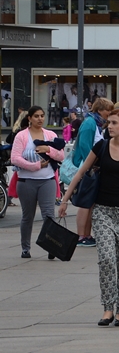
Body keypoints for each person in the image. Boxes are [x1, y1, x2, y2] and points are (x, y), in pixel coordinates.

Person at [59, 109, 119, 326]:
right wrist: (65, 199)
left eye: (113, 123)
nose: (108, 126)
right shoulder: (101, 147)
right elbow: (80, 172)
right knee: (105, 259)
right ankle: (107, 308)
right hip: (103, 212)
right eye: (108, 123)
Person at [12, 106, 66, 258]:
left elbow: (61, 156)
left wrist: (48, 150)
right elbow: (15, 158)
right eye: (36, 116)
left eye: (42, 116)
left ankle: (51, 247)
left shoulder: (50, 134)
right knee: (27, 216)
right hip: (26, 181)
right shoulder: (22, 136)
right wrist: (35, 166)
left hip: (47, 180)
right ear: (29, 118)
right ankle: (25, 248)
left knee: (49, 215)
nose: (40, 119)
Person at [71, 97, 114, 247]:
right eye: (108, 109)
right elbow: (85, 147)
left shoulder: (94, 123)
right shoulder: (90, 124)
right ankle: (81, 235)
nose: (110, 112)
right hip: (88, 169)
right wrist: (91, 166)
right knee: (85, 203)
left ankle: (86, 234)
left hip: (92, 168)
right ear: (100, 110)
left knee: (89, 203)